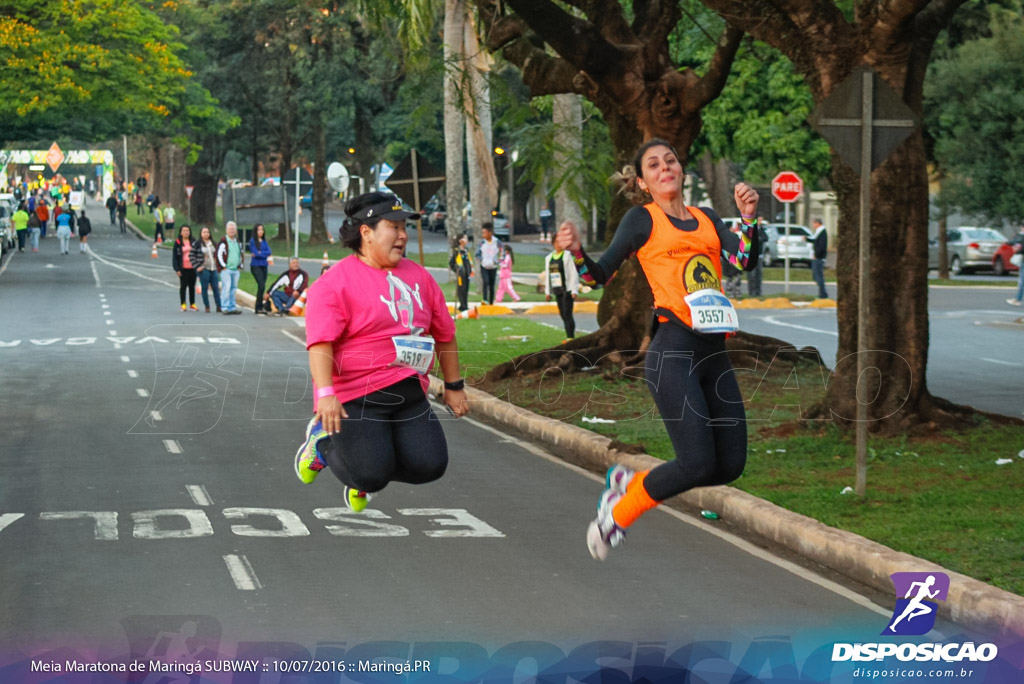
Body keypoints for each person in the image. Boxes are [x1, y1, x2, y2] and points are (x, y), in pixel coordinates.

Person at [555, 139, 761, 560]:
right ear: (645, 182)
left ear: (681, 170)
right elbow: (597, 277)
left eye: (670, 160)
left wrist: (748, 219)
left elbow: (743, 260)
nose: (664, 167)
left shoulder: (706, 219)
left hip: (713, 355)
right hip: (673, 354)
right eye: (653, 164)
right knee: (697, 462)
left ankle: (630, 484)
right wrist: (576, 253)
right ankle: (619, 513)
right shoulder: (641, 220)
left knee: (729, 466)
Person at [293, 191, 470, 513]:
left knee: (430, 466)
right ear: (366, 232)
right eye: (394, 226)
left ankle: (365, 466)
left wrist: (454, 386)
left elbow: (445, 334)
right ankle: (324, 446)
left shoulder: (420, 278)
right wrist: (326, 394)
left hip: (410, 395)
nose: (402, 234)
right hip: (356, 398)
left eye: (404, 227)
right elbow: (320, 343)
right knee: (371, 474)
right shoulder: (335, 283)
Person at [544, 226, 580, 340]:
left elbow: (573, 273)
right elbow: (548, 276)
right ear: (553, 243)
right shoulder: (549, 258)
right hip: (557, 289)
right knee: (562, 314)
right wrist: (547, 292)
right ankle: (569, 335)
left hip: (567, 289)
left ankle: (570, 337)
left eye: (560, 242)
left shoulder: (567, 256)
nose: (558, 244)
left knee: (567, 313)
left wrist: (574, 289)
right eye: (556, 242)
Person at [190, 226, 222, 312]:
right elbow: (191, 256)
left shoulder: (214, 243)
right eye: (204, 232)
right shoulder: (197, 244)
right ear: (201, 233)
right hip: (204, 269)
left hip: (213, 268)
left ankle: (219, 306)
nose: (206, 234)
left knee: (216, 288)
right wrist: (197, 266)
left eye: (207, 232)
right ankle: (207, 306)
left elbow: (218, 255)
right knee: (205, 288)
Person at [216, 221, 244, 314]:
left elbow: (240, 254)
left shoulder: (237, 242)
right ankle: (224, 307)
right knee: (226, 288)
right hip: (226, 269)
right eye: (230, 229)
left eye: (233, 229)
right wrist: (223, 266)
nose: (231, 231)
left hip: (236, 270)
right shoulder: (224, 242)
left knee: (233, 289)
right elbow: (219, 254)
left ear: (235, 231)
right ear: (226, 230)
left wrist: (240, 265)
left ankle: (232, 307)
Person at [172, 225, 199, 311]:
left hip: (192, 267)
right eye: (184, 231)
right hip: (183, 268)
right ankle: (183, 304)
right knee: (183, 286)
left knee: (192, 286)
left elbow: (198, 253)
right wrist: (177, 269)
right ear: (181, 232)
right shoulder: (178, 242)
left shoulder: (194, 241)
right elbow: (175, 256)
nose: (186, 232)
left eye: (187, 230)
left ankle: (192, 304)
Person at [475, 223, 502, 305]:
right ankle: (485, 300)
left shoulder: (497, 242)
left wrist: (497, 261)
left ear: (490, 233)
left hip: (493, 266)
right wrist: (481, 259)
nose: (483, 235)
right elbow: (477, 253)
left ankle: (491, 302)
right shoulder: (482, 243)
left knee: (491, 284)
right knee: (485, 282)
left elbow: (502, 252)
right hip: (484, 266)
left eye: (484, 233)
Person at [248, 224, 272, 314]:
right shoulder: (252, 241)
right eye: (259, 230)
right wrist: (261, 254)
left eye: (262, 230)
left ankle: (260, 306)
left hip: (264, 266)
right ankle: (258, 307)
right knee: (261, 285)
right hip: (255, 266)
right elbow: (255, 253)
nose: (261, 232)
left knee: (262, 286)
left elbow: (269, 252)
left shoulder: (264, 241)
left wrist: (260, 253)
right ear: (255, 231)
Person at [449, 234, 473, 313]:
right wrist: (457, 269)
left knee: (466, 289)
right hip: (461, 274)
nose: (467, 240)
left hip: (467, 273)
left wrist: (470, 270)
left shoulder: (466, 250)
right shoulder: (457, 251)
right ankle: (463, 306)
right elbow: (452, 263)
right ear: (461, 241)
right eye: (465, 238)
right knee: (461, 289)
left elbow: (468, 261)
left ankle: (465, 304)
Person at [747, 216, 767, 297]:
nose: (760, 221)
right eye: (759, 220)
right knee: (752, 275)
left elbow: (765, 238)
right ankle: (751, 292)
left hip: (759, 255)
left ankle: (758, 292)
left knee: (758, 275)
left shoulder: (761, 229)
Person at [811, 217, 828, 299]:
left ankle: (823, 294)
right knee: (816, 276)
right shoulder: (818, 232)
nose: (813, 225)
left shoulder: (822, 232)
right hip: (817, 257)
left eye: (814, 223)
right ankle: (822, 293)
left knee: (818, 276)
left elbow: (821, 246)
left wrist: (816, 255)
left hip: (819, 257)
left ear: (818, 223)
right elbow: (814, 241)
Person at [1008, 225, 1024, 306]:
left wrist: (1018, 249)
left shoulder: (1021, 237)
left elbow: (1010, 242)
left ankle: (1018, 299)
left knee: (1022, 281)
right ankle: (1017, 298)